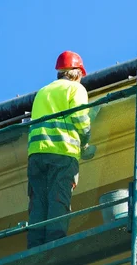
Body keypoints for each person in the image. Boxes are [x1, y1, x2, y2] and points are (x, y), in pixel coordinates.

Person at [26, 51, 92, 248]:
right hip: (62, 152)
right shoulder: (75, 89)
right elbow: (80, 118)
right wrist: (86, 139)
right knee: (58, 197)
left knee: (38, 201)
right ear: (78, 73)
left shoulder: (42, 92)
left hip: (36, 154)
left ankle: (35, 246)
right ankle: (55, 243)